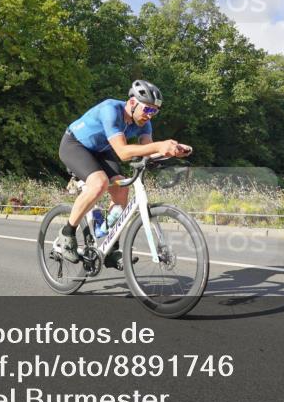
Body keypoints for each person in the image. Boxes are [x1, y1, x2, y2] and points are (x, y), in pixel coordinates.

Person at [58, 80, 191, 268]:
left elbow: (148, 151)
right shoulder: (110, 110)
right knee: (99, 183)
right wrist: (160, 146)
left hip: (102, 150)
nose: (149, 115)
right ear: (132, 102)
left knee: (122, 188)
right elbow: (122, 152)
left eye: (154, 112)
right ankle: (67, 233)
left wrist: (173, 151)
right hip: (75, 145)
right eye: (148, 109)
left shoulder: (144, 123)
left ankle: (111, 249)